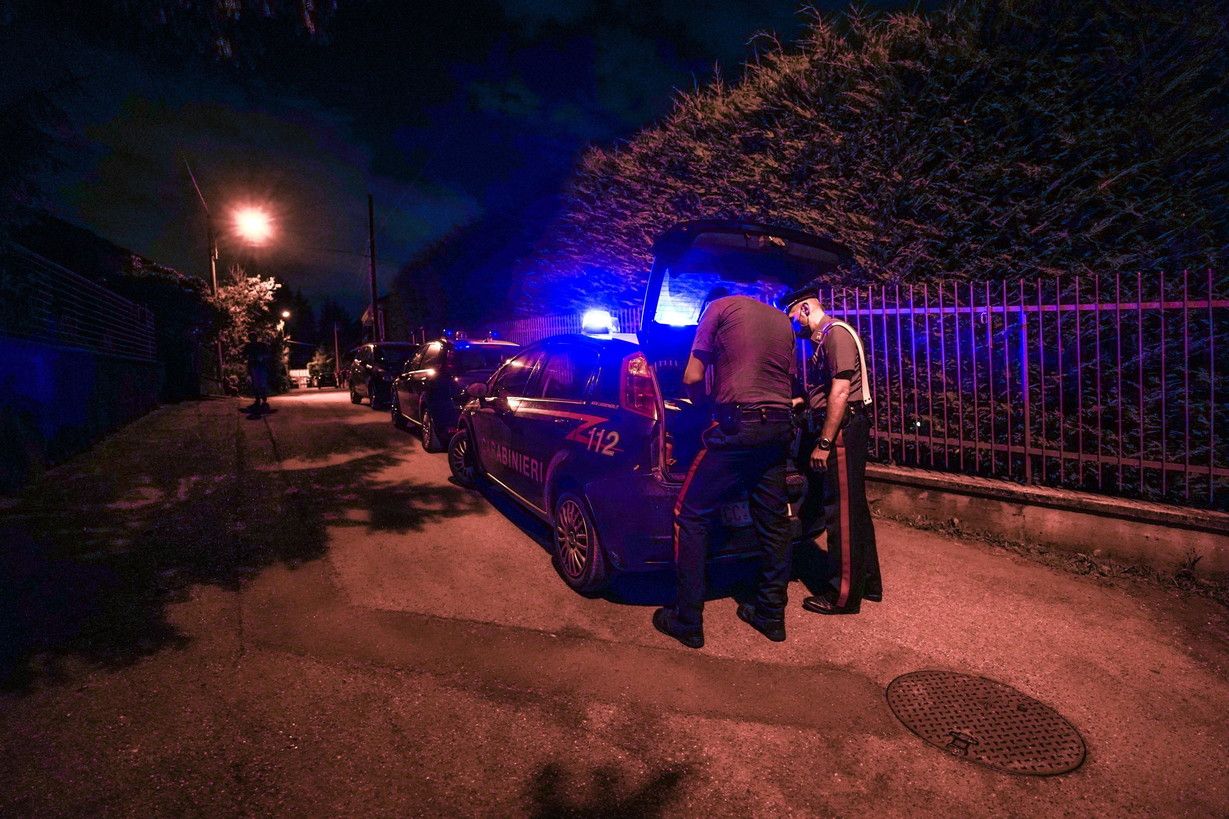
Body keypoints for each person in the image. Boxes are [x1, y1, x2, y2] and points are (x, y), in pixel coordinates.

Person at [652, 293, 797, 648]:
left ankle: (687, 619)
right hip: (780, 427)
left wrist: (703, 409)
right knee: (774, 521)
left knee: (689, 515)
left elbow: (692, 376)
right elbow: (785, 381)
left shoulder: (716, 308)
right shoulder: (781, 319)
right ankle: (771, 615)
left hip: (738, 427)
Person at [783, 283, 882, 614]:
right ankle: (868, 583)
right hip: (846, 425)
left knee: (840, 513)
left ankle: (842, 596)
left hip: (842, 429)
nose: (793, 324)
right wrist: (802, 402)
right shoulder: (825, 337)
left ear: (806, 309)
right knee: (854, 509)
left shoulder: (835, 334)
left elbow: (840, 393)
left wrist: (824, 443)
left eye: (793, 316)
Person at [241, 332, 272, 413]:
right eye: (251, 337)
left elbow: (268, 354)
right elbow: (244, 355)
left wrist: (262, 357)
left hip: (261, 367)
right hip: (253, 367)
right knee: (255, 384)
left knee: (262, 383)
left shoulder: (262, 345)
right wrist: (249, 359)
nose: (252, 339)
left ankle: (263, 399)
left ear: (256, 337)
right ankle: (258, 399)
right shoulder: (249, 346)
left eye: (253, 337)